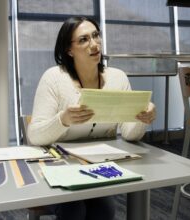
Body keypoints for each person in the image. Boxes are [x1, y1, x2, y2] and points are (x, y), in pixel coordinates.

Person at [27, 16, 156, 220]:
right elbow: (34, 135)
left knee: (104, 211)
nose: (94, 44)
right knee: (74, 210)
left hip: (96, 168)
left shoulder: (117, 77)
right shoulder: (53, 78)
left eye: (96, 36)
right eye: (83, 40)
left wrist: (142, 117)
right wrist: (63, 119)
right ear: (69, 50)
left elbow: (130, 135)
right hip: (57, 167)